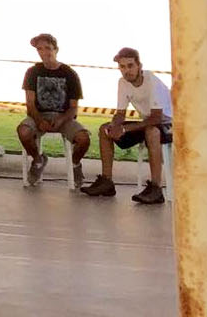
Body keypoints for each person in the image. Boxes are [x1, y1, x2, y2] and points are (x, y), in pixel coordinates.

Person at [81, 47, 173, 204]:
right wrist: (114, 125)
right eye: (122, 67)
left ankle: (156, 189)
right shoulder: (123, 83)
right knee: (105, 129)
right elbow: (120, 113)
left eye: (130, 66)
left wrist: (124, 129)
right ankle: (107, 182)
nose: (126, 71)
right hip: (148, 122)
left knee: (152, 132)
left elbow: (156, 119)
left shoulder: (151, 81)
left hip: (168, 123)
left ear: (139, 66)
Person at [18, 33, 90, 189]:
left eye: (48, 48)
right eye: (40, 49)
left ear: (56, 49)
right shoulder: (32, 72)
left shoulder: (69, 73)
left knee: (84, 138)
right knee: (23, 131)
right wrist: (39, 121)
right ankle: (38, 160)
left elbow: (73, 108)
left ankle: (75, 164)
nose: (44, 52)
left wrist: (61, 120)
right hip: (39, 114)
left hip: (64, 117)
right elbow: (30, 103)